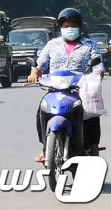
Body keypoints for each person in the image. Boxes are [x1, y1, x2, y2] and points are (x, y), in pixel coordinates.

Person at [28, 8, 105, 160]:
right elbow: (39, 65)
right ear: (60, 27)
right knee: (41, 112)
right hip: (55, 90)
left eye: (72, 25)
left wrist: (97, 74)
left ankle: (93, 146)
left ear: (80, 27)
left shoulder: (89, 45)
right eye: (65, 26)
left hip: (80, 90)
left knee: (91, 115)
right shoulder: (52, 45)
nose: (69, 29)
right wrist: (34, 72)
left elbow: (98, 66)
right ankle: (45, 148)